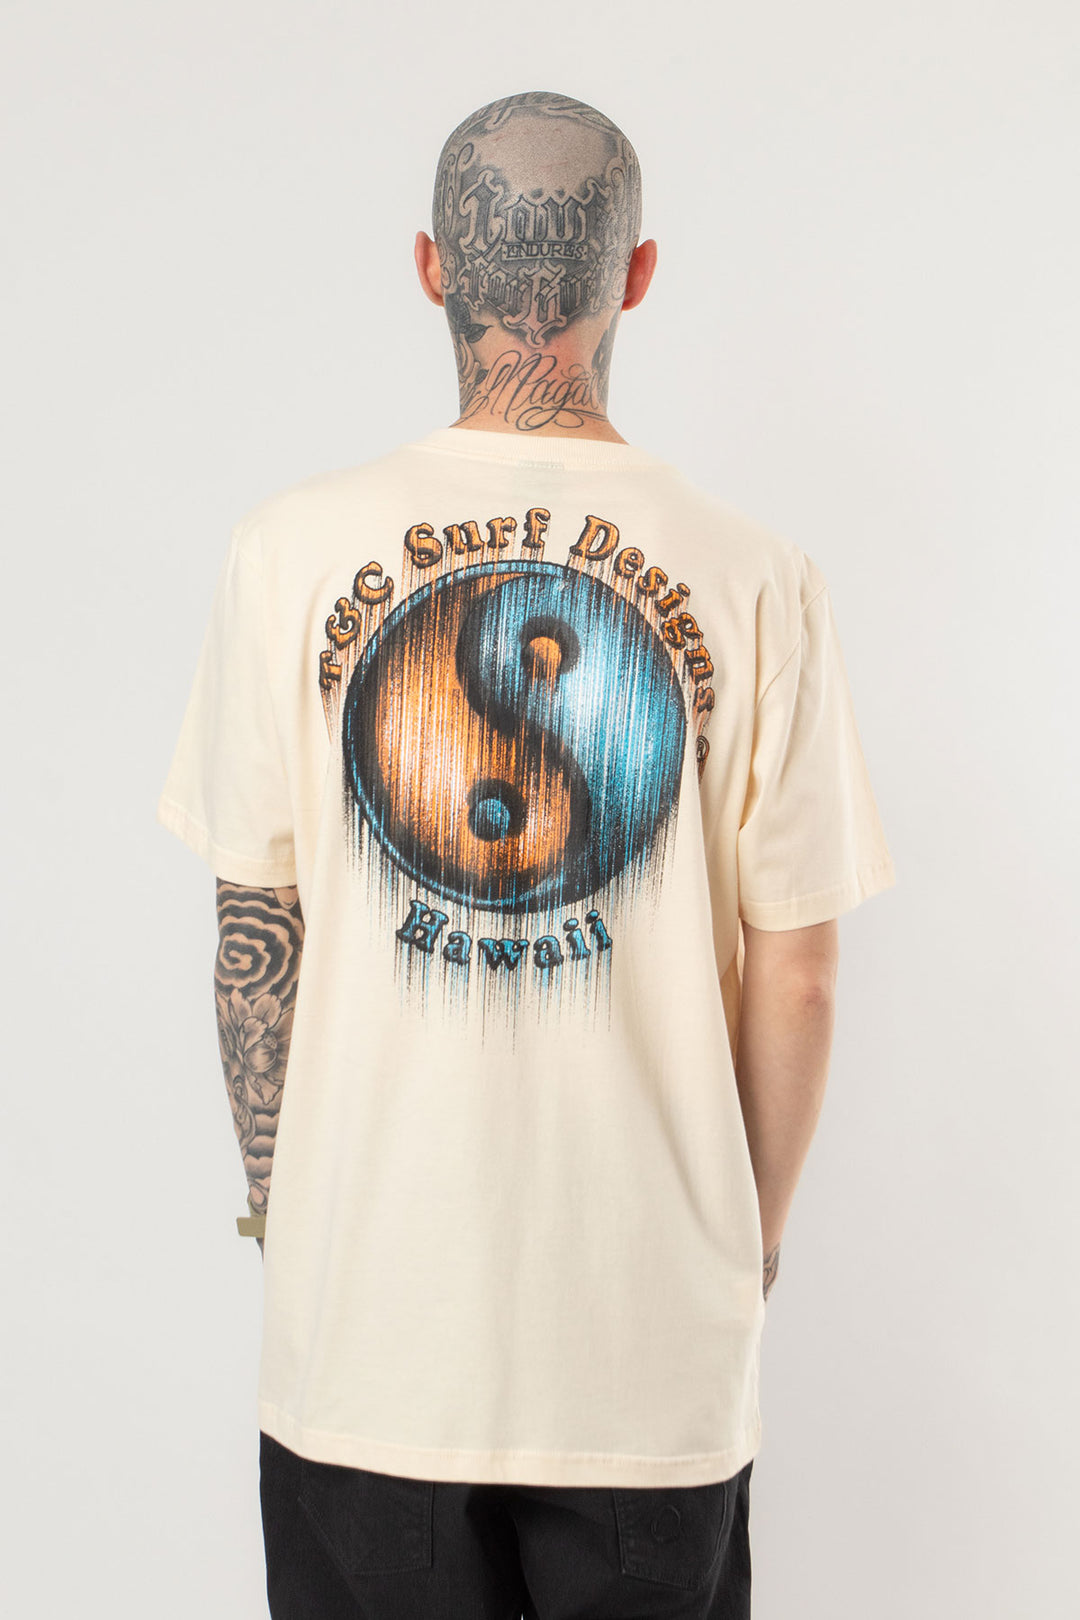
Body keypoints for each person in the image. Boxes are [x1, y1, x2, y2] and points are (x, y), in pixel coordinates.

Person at [157, 88, 896, 1620]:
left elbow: (255, 926)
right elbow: (803, 979)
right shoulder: (758, 577)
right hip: (649, 1357)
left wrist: (285, 1213)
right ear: (637, 275)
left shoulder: (286, 551)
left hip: (367, 1347)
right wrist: (741, 1255)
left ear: (432, 267)